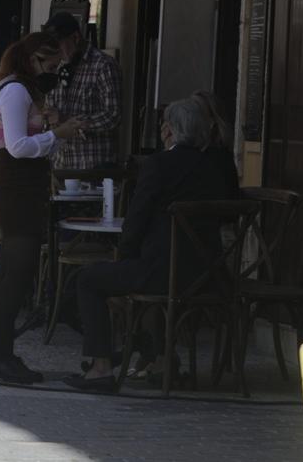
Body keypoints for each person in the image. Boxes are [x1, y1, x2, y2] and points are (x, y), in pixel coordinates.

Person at [65, 96, 242, 392]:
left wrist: (125, 255)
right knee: (143, 278)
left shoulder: (159, 165)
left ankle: (101, 367)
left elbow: (136, 220)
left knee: (87, 280)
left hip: (161, 273)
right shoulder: (216, 168)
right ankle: (158, 358)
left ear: (169, 131)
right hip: (208, 275)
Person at [0, 32, 80, 383]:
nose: (48, 72)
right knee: (15, 274)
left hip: (24, 186)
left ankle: (0, 354)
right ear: (30, 59)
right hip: (16, 187)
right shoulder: (15, 91)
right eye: (46, 65)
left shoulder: (23, 90)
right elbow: (17, 145)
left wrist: (49, 123)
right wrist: (59, 134)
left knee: (14, 273)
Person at [43, 9, 120, 175]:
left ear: (75, 38)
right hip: (60, 164)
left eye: (58, 44)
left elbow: (113, 116)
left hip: (92, 166)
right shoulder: (55, 67)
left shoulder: (104, 66)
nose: (54, 50)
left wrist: (67, 120)